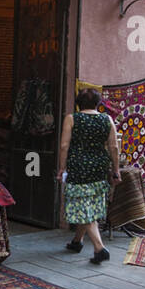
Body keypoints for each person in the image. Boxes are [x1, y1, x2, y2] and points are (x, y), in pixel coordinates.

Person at [57, 87, 120, 264]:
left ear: (78, 103)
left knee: (83, 206)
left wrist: (62, 168)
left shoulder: (72, 119)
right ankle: (77, 242)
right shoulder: (106, 119)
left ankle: (99, 248)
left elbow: (64, 146)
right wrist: (116, 170)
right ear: (98, 103)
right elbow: (114, 147)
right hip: (99, 166)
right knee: (89, 202)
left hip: (78, 166)